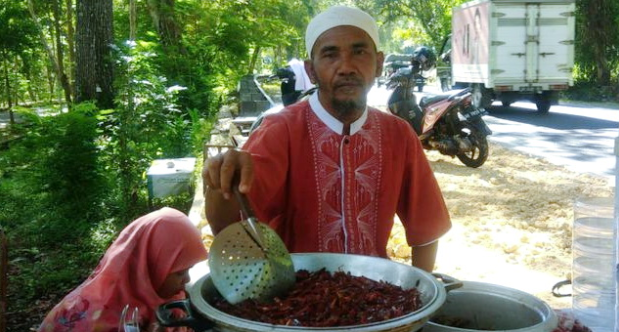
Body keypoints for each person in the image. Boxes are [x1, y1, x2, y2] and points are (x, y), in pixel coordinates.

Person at [202, 5, 451, 272]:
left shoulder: (398, 135)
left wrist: (419, 294)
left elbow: (426, 226)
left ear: (378, 63)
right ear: (311, 70)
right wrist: (221, 179)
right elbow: (231, 227)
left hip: (376, 294)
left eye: (359, 52)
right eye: (330, 54)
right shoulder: (279, 130)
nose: (346, 67)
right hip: (294, 297)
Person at [38, 207, 208, 332]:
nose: (186, 280)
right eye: (180, 272)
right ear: (151, 265)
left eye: (188, 270)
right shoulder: (95, 320)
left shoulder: (169, 298)